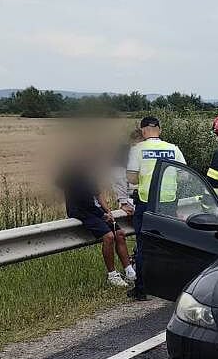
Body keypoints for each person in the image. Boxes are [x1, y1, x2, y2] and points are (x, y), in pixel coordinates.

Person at [126, 116, 185, 301]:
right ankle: (170, 286)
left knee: (144, 246)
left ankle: (142, 289)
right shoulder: (173, 149)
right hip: (168, 203)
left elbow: (131, 178)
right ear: (159, 130)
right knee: (169, 245)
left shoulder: (137, 149)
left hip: (147, 203)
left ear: (143, 131)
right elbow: (183, 175)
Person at [60, 159, 134, 287]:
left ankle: (129, 271)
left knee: (120, 234)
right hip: (82, 212)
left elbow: (98, 193)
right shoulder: (74, 176)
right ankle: (112, 275)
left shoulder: (90, 174)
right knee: (109, 237)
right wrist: (103, 215)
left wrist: (108, 211)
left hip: (95, 210)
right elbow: (85, 202)